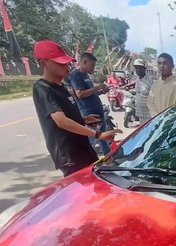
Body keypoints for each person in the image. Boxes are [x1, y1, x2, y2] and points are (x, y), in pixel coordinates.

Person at [32, 40, 121, 176]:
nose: (66, 66)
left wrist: (84, 119)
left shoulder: (61, 87)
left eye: (66, 62)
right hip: (70, 154)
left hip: (82, 147)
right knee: (81, 190)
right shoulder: (43, 89)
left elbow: (67, 114)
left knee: (95, 182)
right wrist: (98, 134)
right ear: (44, 63)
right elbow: (61, 121)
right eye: (60, 63)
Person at [70, 52, 111, 155]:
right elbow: (80, 94)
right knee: (93, 139)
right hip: (90, 113)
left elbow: (91, 93)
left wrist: (101, 91)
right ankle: (90, 161)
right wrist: (97, 87)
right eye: (92, 65)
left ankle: (109, 158)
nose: (93, 68)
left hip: (98, 111)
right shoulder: (76, 75)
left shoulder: (86, 75)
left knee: (103, 137)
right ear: (84, 62)